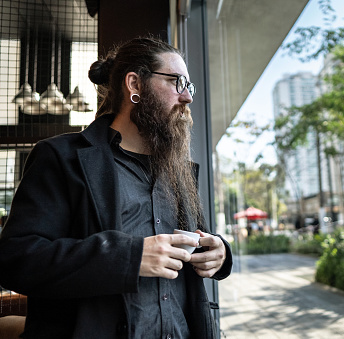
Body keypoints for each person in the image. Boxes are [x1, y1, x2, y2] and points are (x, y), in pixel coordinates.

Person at [0, 36, 232, 339]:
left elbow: (198, 244)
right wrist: (130, 257)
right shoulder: (60, 157)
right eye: (177, 82)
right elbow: (17, 260)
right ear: (134, 85)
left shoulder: (181, 171)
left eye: (189, 86)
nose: (187, 98)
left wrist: (219, 253)